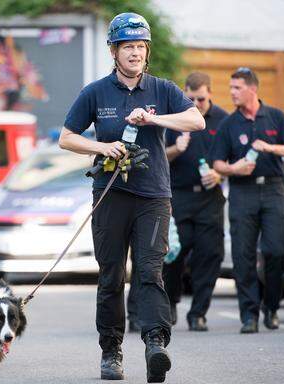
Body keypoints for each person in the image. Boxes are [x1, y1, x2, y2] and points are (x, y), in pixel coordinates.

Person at [59, 12, 204, 383]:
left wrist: (155, 120)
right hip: (110, 196)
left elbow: (196, 121)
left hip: (154, 194)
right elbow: (66, 137)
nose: (136, 53)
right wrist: (102, 147)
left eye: (141, 46)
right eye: (128, 47)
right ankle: (111, 351)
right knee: (110, 275)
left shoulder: (161, 89)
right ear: (114, 51)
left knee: (150, 272)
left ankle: (156, 344)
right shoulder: (95, 92)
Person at [211, 67, 284, 334]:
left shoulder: (275, 117)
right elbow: (217, 162)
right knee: (242, 255)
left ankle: (271, 306)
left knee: (277, 250)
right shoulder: (229, 123)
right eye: (231, 88)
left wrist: (271, 147)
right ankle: (249, 314)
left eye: (237, 88)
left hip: (273, 190)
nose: (232, 93)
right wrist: (233, 169)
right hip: (242, 191)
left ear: (253, 89)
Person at [163, 72, 228, 332]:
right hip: (178, 194)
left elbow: (233, 158)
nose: (196, 104)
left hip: (209, 197)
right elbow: (159, 157)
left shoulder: (223, 120)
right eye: (190, 98)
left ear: (209, 93)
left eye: (201, 98)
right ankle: (170, 302)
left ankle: (198, 312)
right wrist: (176, 149)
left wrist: (220, 173)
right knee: (174, 254)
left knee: (210, 255)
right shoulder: (173, 117)